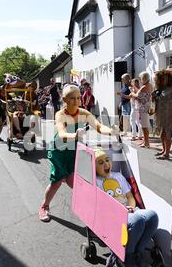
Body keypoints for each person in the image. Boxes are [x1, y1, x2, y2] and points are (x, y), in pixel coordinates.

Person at [38, 85, 118, 222]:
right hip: (59, 152)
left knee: (79, 183)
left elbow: (98, 126)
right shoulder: (60, 114)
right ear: (64, 99)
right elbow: (62, 133)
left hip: (74, 151)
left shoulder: (84, 113)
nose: (76, 101)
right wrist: (75, 134)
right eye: (72, 98)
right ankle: (44, 206)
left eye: (78, 98)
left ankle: (94, 212)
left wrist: (111, 131)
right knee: (56, 182)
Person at [94, 147, 158, 267]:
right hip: (112, 215)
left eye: (107, 160)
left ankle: (138, 252)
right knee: (138, 221)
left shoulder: (118, 176)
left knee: (152, 216)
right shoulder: (95, 182)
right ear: (93, 167)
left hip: (129, 210)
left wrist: (131, 207)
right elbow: (102, 206)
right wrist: (122, 210)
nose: (106, 164)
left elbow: (130, 196)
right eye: (100, 163)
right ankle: (127, 256)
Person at [153, 70, 172, 159]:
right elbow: (155, 101)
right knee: (162, 134)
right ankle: (164, 150)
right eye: (162, 78)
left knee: (168, 133)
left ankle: (167, 153)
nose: (164, 80)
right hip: (160, 114)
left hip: (169, 114)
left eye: (166, 78)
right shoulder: (159, 88)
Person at [130, 72, 152, 147]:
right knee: (144, 126)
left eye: (140, 78)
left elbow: (137, 96)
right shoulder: (149, 85)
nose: (140, 80)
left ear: (143, 78)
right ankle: (145, 141)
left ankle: (146, 143)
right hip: (145, 107)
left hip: (143, 109)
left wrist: (132, 92)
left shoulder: (144, 87)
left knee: (144, 126)